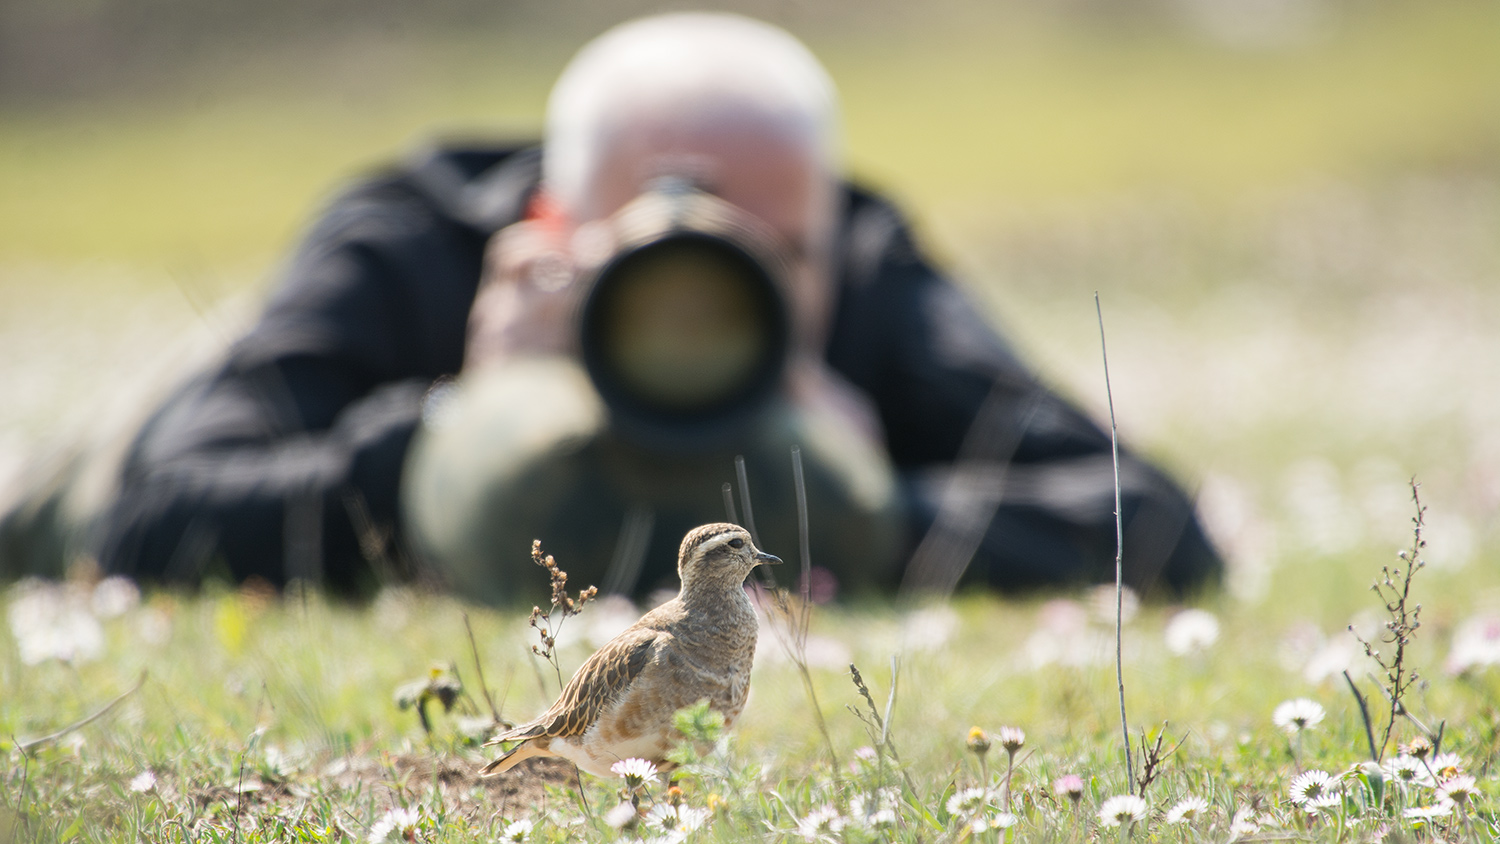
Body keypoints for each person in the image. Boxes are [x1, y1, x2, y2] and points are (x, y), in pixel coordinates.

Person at [2, 13, 1221, 603]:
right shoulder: (414, 237)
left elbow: (1156, 522)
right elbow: (149, 516)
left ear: (821, 241)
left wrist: (865, 495)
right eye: (645, 250)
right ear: (540, 226)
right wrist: (447, 428)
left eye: (761, 253)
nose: (700, 296)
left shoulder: (856, 259)